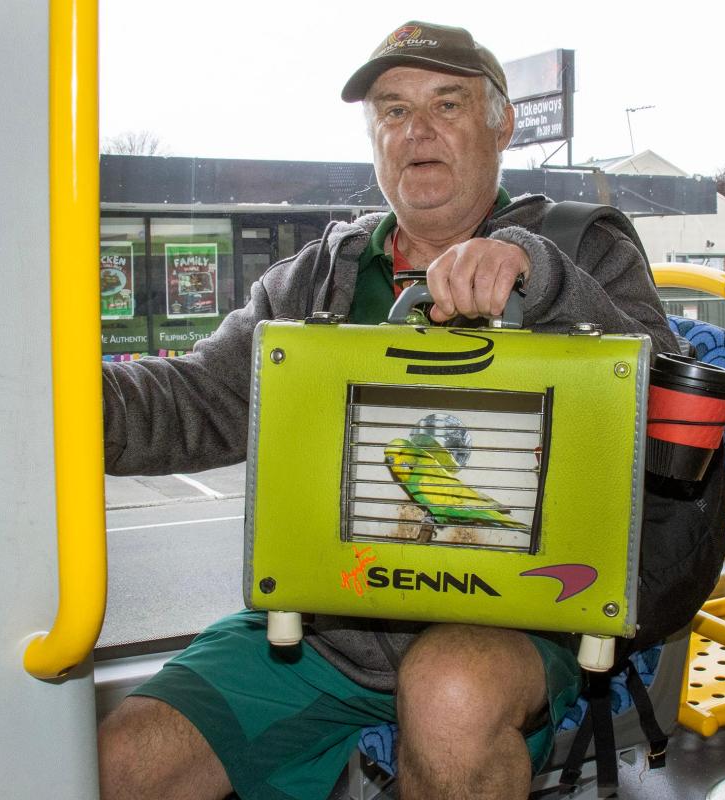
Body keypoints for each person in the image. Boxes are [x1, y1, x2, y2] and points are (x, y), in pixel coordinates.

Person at [97, 20, 678, 800]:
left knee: (450, 693)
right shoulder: (312, 281)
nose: (419, 132)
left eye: (448, 104)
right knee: (120, 760)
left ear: (501, 122)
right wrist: (42, 394)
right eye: (394, 110)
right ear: (373, 134)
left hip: (512, 623)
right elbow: (195, 397)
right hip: (324, 636)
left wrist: (541, 279)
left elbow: (673, 418)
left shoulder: (584, 246)